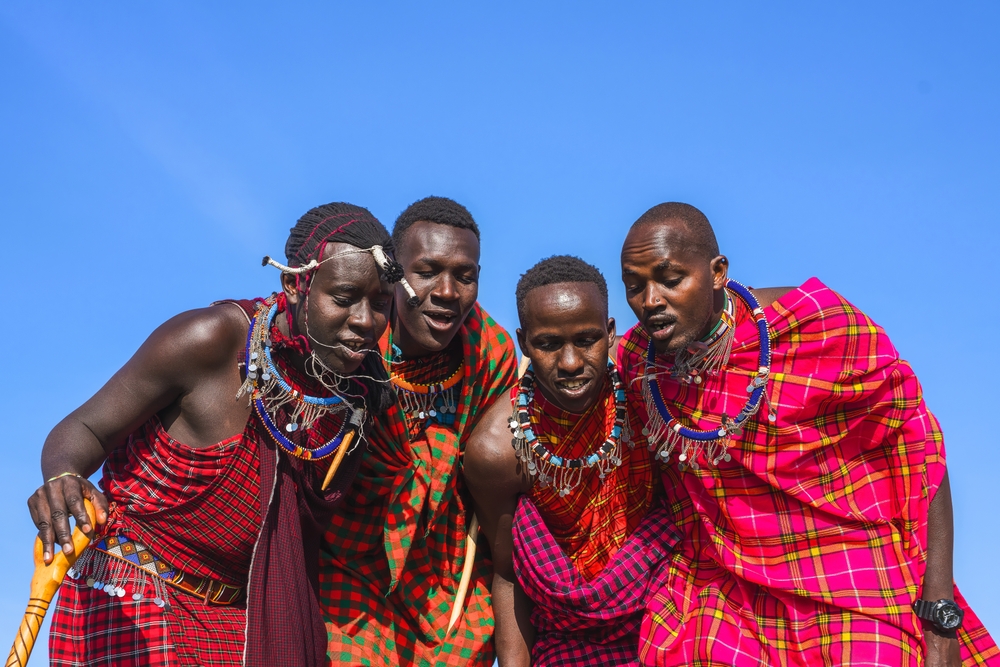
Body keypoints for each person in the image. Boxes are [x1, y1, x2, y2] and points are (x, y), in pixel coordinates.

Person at [617, 202, 999, 666]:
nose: (650, 300)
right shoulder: (640, 364)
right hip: (725, 587)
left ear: (718, 272)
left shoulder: (816, 327)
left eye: (670, 279)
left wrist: (939, 616)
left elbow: (919, 447)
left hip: (851, 571)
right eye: (634, 287)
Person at [27, 202, 403, 667]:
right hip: (134, 589)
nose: (366, 320)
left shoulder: (358, 397)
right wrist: (62, 476)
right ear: (294, 284)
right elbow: (84, 427)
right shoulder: (210, 342)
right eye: (344, 298)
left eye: (381, 303)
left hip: (238, 619)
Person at [320, 196, 518, 666]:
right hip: (347, 561)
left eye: (465, 276)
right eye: (427, 271)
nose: (448, 291)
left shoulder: (490, 353)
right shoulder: (355, 342)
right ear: (393, 272)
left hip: (445, 577)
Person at [465, 255, 668, 666]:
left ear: (610, 333)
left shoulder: (654, 409)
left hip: (664, 619)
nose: (571, 362)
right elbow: (508, 574)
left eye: (586, 339)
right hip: (564, 641)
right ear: (524, 342)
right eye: (549, 344)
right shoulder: (497, 449)